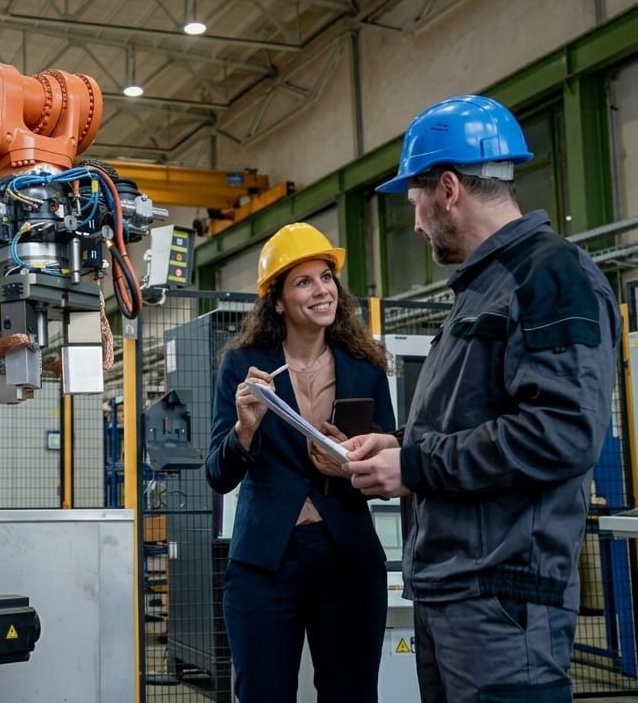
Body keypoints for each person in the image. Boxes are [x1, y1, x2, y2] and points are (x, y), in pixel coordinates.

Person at [345, 94, 621, 703]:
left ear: (447, 189)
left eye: (415, 202)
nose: (414, 223)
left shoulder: (551, 277)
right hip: (456, 589)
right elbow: (481, 418)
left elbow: (562, 433)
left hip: (502, 596)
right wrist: (398, 446)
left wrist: (413, 466)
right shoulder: (484, 289)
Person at [204, 221, 394, 703]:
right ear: (278, 300)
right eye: (303, 281)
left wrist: (349, 465)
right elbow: (218, 474)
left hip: (346, 555)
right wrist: (245, 428)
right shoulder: (244, 365)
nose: (321, 290)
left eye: (326, 277)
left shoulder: (364, 366)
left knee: (350, 693)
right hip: (266, 561)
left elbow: (391, 453)